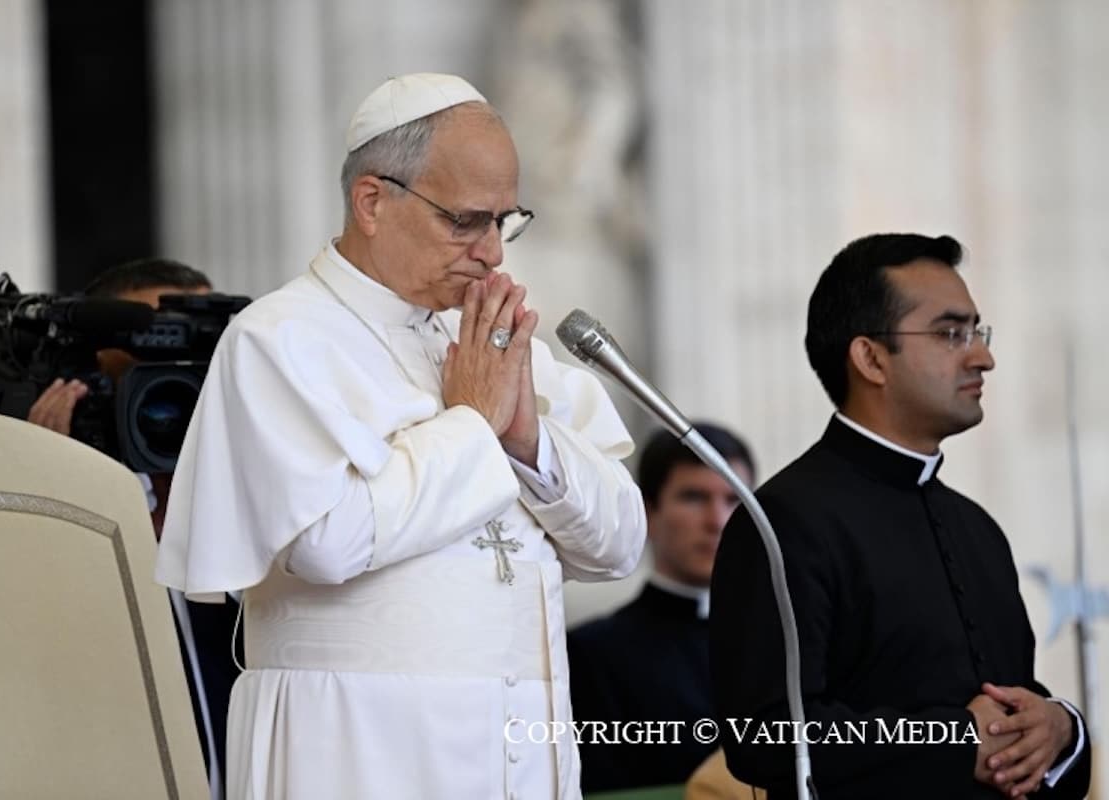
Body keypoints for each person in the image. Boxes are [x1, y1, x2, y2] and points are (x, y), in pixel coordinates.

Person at [154, 73, 646, 800]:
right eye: (466, 221)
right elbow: (326, 542)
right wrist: (473, 425)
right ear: (373, 202)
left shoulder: (498, 340)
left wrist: (526, 443)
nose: (493, 254)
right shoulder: (279, 338)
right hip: (355, 751)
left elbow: (620, 545)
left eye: (505, 222)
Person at [709, 233, 1091, 799]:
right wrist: (955, 740)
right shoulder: (782, 522)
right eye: (950, 333)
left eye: (976, 333)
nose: (982, 355)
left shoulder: (978, 529)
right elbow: (765, 738)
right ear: (870, 358)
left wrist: (1062, 729)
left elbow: (1011, 708)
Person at [26, 258, 238, 800]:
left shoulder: (251, 499)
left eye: (201, 350)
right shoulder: (51, 505)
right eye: (147, 350)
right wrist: (50, 490)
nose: (178, 377)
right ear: (94, 366)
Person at [567, 422, 755, 793]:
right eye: (694, 497)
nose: (717, 521)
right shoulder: (592, 656)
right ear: (647, 512)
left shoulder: (790, 645)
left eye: (734, 500)